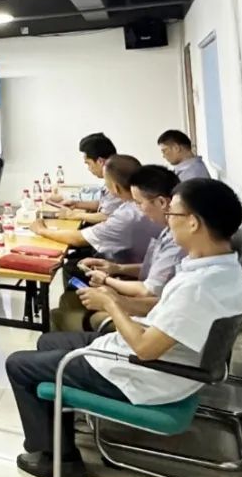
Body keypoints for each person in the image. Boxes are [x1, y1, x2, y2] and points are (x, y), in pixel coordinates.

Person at [6, 178, 242, 477]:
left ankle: (59, 460)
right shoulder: (222, 270)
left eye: (172, 214)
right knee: (48, 342)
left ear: (193, 222)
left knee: (18, 365)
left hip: (142, 373)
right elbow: (165, 308)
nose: (167, 221)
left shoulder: (198, 288)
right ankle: (62, 425)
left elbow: (145, 349)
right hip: (159, 358)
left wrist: (111, 305)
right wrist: (119, 299)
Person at [32, 155, 165, 332]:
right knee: (73, 277)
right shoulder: (136, 209)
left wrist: (42, 230)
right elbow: (152, 268)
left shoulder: (132, 215)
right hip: (129, 275)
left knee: (65, 306)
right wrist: (116, 269)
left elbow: (149, 290)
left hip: (134, 292)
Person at [78, 165, 187, 329]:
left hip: (152, 313)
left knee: (91, 315)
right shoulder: (166, 229)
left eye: (139, 203)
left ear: (161, 202)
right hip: (149, 300)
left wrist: (107, 281)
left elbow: (149, 290)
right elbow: (157, 269)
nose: (138, 209)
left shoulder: (177, 240)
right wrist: (116, 268)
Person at [52, 133, 119, 224]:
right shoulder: (114, 175)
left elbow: (106, 216)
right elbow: (104, 205)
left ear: (100, 161)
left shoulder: (117, 182)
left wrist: (72, 215)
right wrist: (76, 204)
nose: (88, 168)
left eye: (88, 163)